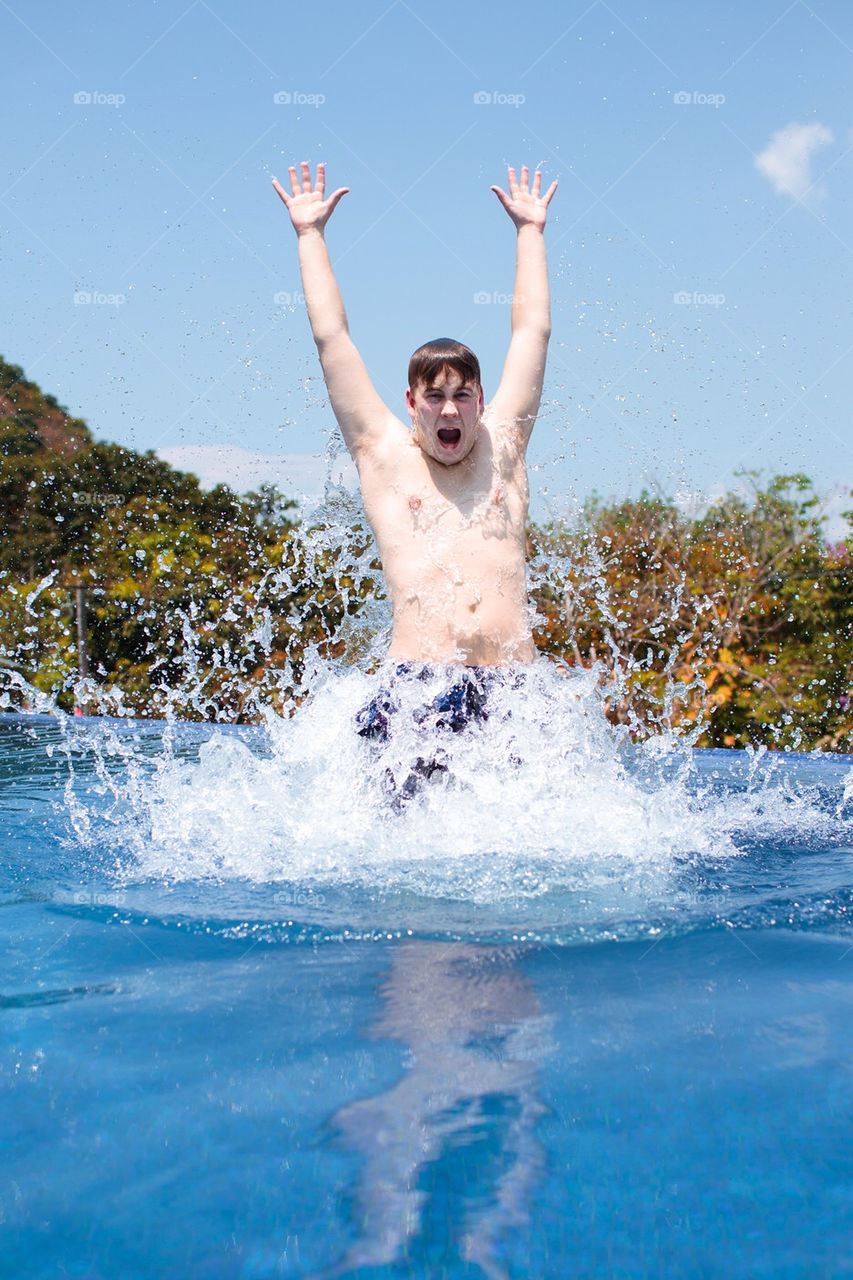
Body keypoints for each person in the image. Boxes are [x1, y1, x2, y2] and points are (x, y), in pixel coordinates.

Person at [273, 162, 557, 790]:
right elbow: (332, 341)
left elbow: (531, 331)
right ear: (411, 402)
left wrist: (530, 233)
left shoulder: (504, 445)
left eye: (463, 394)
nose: (450, 410)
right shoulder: (383, 455)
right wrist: (309, 236)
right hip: (416, 690)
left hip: (515, 690)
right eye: (435, 397)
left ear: (483, 399)